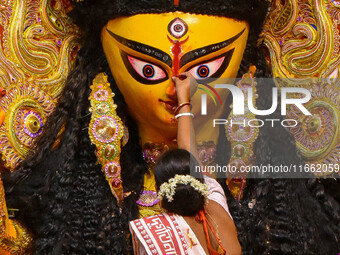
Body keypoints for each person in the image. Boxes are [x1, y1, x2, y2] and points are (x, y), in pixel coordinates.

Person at [1, 0, 339, 254]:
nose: (174, 89)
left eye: (205, 70)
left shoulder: (263, 208)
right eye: (147, 70)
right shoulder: (69, 200)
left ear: (248, 64)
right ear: (101, 64)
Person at [129, 72, 241, 255]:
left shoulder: (157, 235)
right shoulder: (216, 203)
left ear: (161, 193)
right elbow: (189, 152)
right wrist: (184, 98)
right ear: (199, 181)